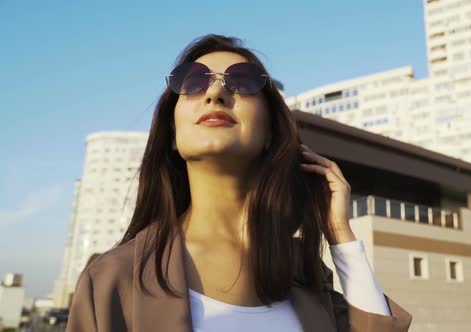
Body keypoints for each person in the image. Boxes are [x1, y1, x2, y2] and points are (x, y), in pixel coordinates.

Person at [65, 34, 412, 332]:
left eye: (243, 82)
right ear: (172, 135)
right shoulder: (112, 278)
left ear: (269, 133)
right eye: (193, 82)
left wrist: (340, 235)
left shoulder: (304, 275)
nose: (215, 93)